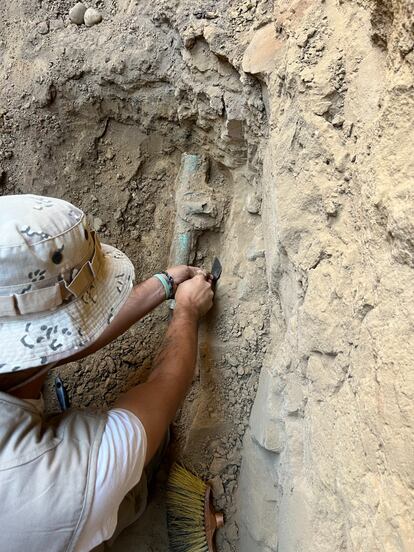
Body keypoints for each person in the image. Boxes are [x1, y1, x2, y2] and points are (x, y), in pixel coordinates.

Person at [0, 194, 214, 552]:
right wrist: (187, 312)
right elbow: (165, 388)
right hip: (40, 518)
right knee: (141, 463)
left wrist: (162, 285)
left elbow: (58, 343)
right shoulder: (60, 482)